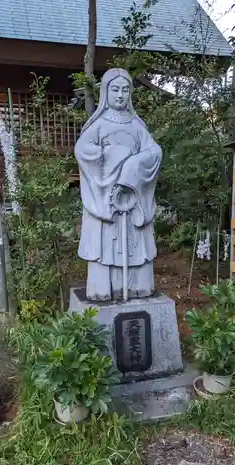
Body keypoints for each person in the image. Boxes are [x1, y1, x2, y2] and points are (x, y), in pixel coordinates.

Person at [75, 68, 162, 301]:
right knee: (103, 249)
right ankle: (103, 289)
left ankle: (138, 287)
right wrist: (113, 155)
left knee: (137, 250)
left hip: (132, 202)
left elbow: (154, 151)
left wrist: (133, 167)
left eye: (125, 90)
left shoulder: (136, 125)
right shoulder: (98, 125)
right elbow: (83, 151)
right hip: (107, 201)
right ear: (105, 92)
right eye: (115, 89)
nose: (120, 95)